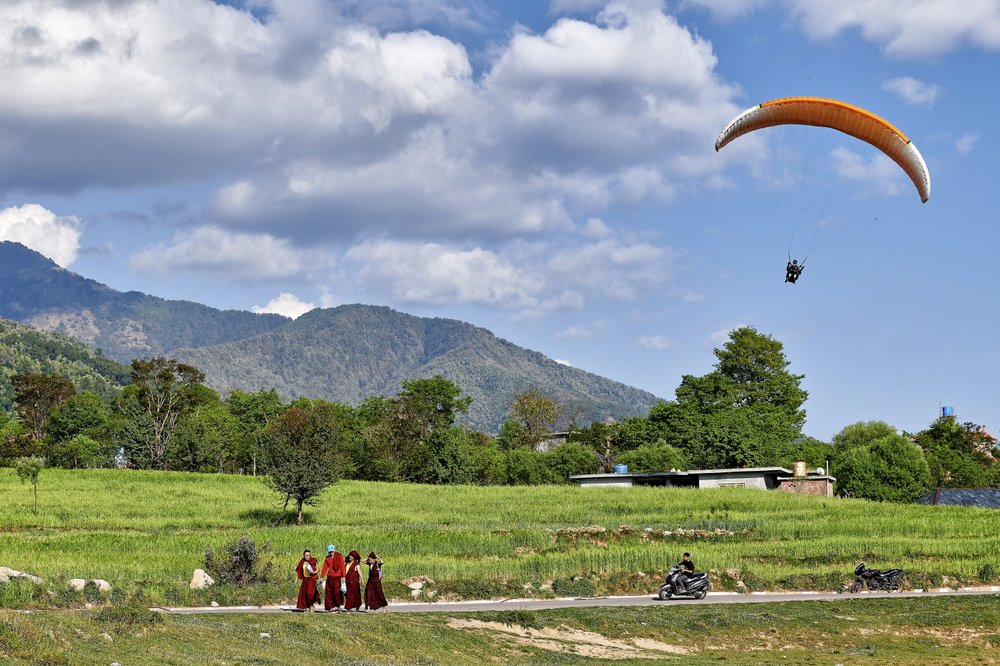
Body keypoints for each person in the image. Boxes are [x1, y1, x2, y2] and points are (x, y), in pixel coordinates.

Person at [321, 544, 346, 612]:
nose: (331, 553)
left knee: (336, 592)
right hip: (330, 577)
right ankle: (331, 606)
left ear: (334, 550)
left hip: (337, 577)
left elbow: (342, 566)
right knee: (329, 592)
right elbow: (325, 568)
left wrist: (343, 576)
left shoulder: (339, 556)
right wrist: (321, 577)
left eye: (332, 551)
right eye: (330, 552)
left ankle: (338, 605)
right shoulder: (327, 558)